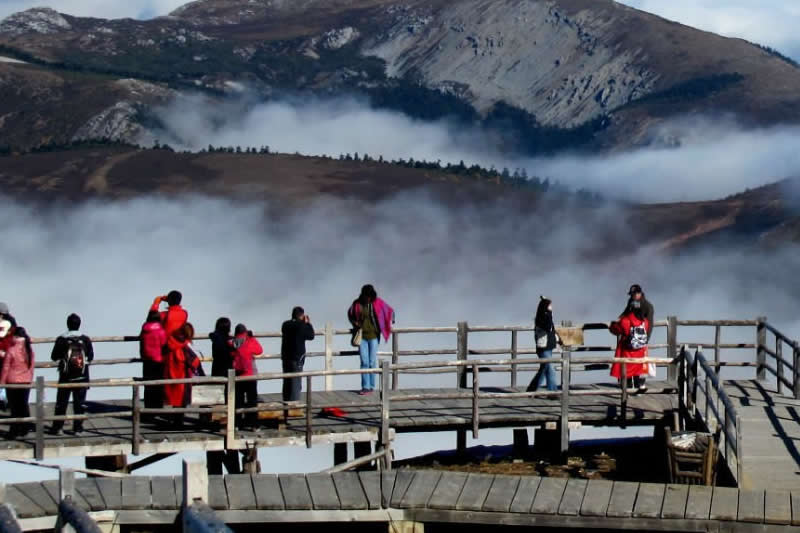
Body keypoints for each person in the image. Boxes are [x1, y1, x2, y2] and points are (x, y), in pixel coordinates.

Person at [207, 318, 242, 475]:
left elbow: (211, 335)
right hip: (228, 370)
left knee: (217, 396)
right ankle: (228, 419)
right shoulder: (230, 341)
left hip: (217, 369)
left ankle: (217, 418)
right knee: (229, 396)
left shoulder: (215, 337)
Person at [50, 313, 94, 435]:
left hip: (66, 377)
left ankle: (58, 427)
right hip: (82, 376)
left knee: (62, 403)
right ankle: (78, 428)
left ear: (68, 324)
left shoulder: (62, 339)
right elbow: (90, 356)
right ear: (79, 324)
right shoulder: (85, 339)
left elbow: (54, 356)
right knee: (79, 403)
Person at [347, 285, 395, 395]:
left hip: (374, 336)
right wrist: (355, 323)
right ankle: (365, 386)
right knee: (364, 361)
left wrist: (390, 322)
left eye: (369, 296)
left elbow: (390, 311)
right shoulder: (357, 304)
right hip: (362, 336)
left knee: (372, 361)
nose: (367, 298)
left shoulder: (377, 302)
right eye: (366, 296)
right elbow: (350, 314)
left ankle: (371, 386)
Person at [610, 299, 651, 393]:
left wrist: (612, 325)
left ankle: (627, 389)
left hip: (627, 349)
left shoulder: (625, 320)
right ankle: (637, 388)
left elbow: (616, 330)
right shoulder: (645, 321)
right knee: (637, 369)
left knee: (626, 370)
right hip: (640, 350)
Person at [0, 326, 34, 438]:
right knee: (23, 405)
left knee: (14, 408)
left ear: (16, 336)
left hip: (12, 381)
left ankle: (14, 431)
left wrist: (2, 382)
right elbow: (31, 367)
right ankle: (24, 428)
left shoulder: (11, 350)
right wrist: (29, 378)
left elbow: (5, 367)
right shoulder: (29, 350)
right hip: (26, 381)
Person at [164, 322, 200, 427]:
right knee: (181, 401)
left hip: (170, 374)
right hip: (181, 375)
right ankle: (178, 423)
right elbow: (194, 361)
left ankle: (175, 421)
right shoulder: (183, 346)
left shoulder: (171, 341)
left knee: (175, 401)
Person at [281, 307, 315, 409]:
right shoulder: (301, 326)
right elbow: (311, 335)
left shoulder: (285, 324)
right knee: (296, 383)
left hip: (286, 356)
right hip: (297, 358)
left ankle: (286, 404)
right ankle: (294, 407)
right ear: (302, 315)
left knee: (287, 382)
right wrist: (308, 323)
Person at [232, 324, 263, 429]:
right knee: (252, 401)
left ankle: (237, 423)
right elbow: (259, 350)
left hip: (237, 375)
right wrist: (252, 337)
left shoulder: (231, 343)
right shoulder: (249, 342)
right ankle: (253, 424)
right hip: (250, 375)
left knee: (238, 401)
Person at [527, 297, 561, 392]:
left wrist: (558, 340)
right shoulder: (540, 318)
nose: (552, 307)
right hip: (543, 348)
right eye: (550, 305)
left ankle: (531, 389)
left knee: (544, 369)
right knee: (550, 369)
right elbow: (548, 328)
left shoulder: (546, 316)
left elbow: (552, 331)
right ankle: (553, 392)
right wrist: (549, 314)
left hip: (548, 347)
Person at [139, 310, 167, 421]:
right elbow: (164, 345)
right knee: (158, 386)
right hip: (158, 361)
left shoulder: (144, 328)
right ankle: (157, 409)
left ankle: (148, 410)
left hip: (147, 360)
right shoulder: (161, 331)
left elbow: (141, 342)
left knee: (148, 386)